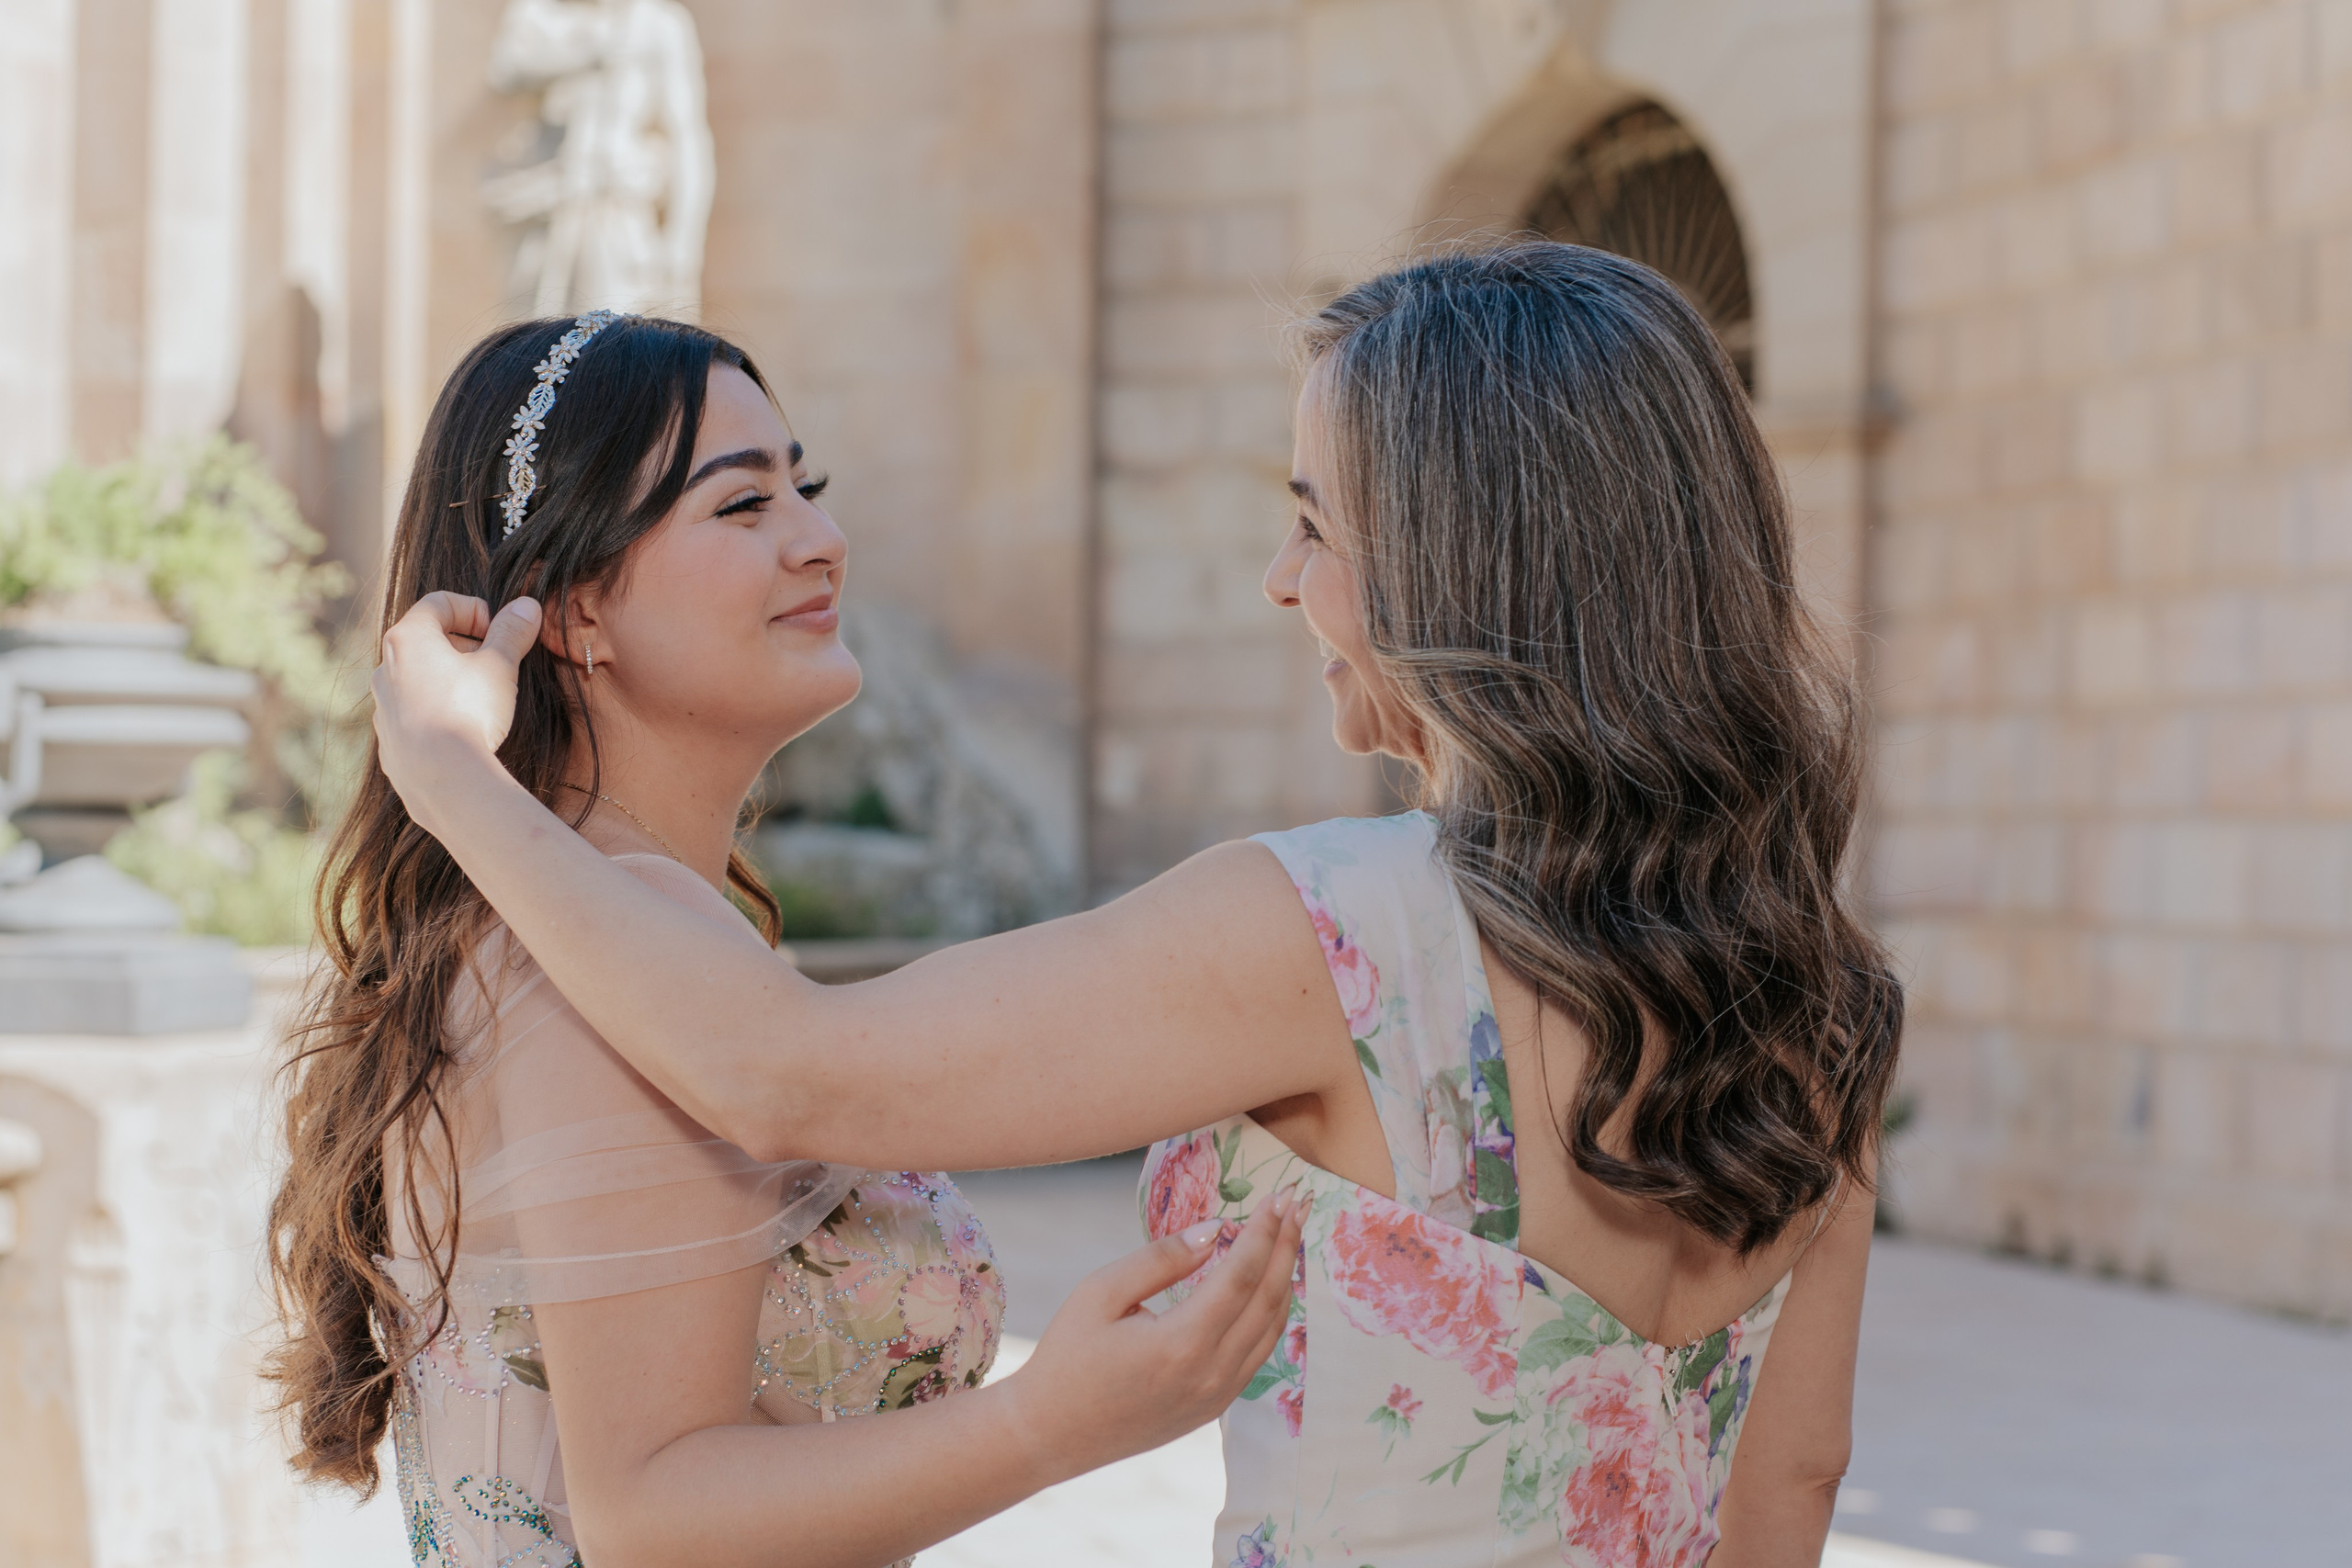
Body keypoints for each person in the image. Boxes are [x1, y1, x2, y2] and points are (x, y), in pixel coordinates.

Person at [367, 243, 1904, 1566]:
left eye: (1318, 525)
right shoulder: (1817, 998)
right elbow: (1793, 1482)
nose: (1280, 580)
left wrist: (447, 774)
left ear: (1459, 566)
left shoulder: (1327, 935)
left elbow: (785, 1071)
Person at [265, 310, 1304, 1568]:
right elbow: (652, 1514)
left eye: (807, 488)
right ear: (576, 611)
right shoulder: (585, 964)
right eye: (744, 504)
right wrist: (1053, 1420)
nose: (822, 540)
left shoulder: (629, 931)